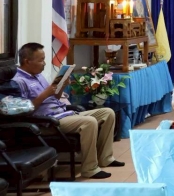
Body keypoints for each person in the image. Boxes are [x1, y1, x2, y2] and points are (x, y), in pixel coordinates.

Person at [13, 43, 123, 179]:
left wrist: (61, 87)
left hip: (62, 113)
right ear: (27, 61)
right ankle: (90, 168)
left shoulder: (38, 75)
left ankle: (105, 158)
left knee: (107, 113)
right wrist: (45, 94)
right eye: (41, 60)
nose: (44, 63)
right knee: (89, 122)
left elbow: (54, 98)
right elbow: (24, 110)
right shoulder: (19, 81)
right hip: (47, 122)